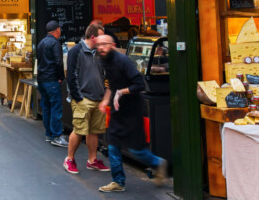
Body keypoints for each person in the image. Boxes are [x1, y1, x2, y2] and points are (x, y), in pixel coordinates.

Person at [93, 34, 168, 192]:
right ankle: (118, 182)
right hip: (117, 109)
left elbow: (139, 84)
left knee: (135, 149)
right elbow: (111, 85)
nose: (101, 48)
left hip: (132, 110)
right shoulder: (104, 60)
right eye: (98, 45)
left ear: (112, 45)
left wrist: (122, 92)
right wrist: (105, 101)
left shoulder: (123, 61)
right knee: (112, 144)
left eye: (104, 44)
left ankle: (157, 163)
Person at [63, 23, 109, 174]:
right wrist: (78, 97)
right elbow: (71, 76)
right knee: (79, 129)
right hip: (83, 98)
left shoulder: (99, 52)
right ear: (93, 37)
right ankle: (69, 159)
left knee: (94, 131)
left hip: (98, 97)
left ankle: (92, 160)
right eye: (101, 36)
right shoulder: (76, 51)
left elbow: (103, 73)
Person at [37, 21, 69, 148]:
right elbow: (58, 62)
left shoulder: (41, 43)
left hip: (42, 79)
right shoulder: (55, 43)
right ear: (57, 30)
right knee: (56, 107)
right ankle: (56, 136)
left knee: (46, 107)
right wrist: (61, 77)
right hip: (51, 80)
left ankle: (49, 134)